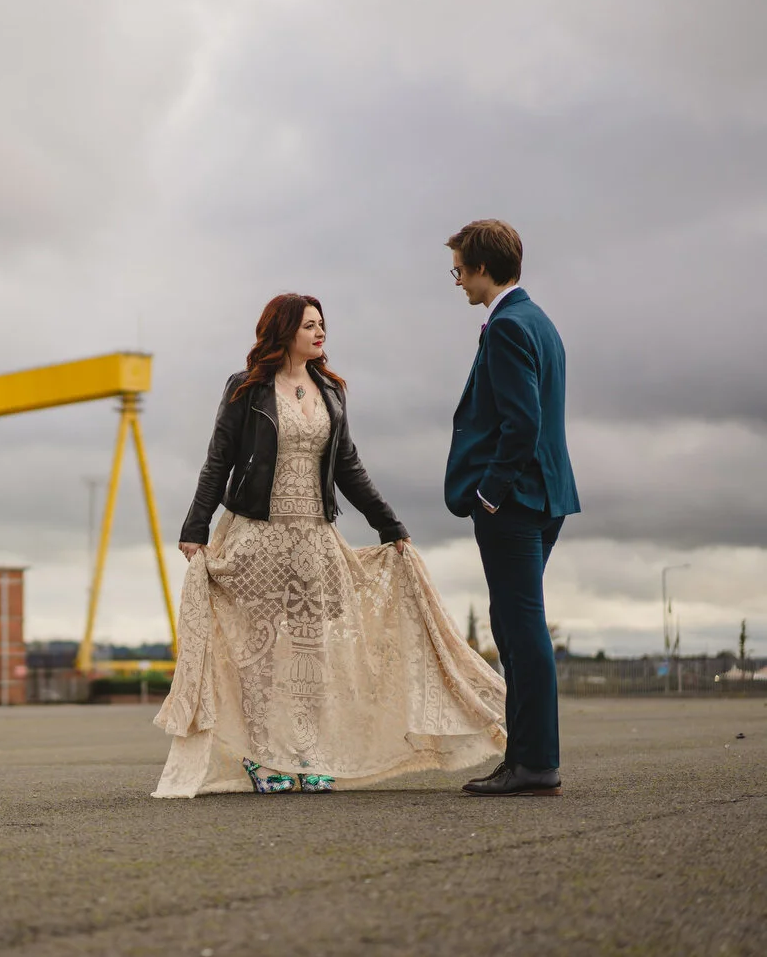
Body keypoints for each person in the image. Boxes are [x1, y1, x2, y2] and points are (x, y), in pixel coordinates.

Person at [153, 294, 506, 797]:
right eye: (309, 326)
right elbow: (219, 461)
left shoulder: (331, 391)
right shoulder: (247, 388)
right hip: (257, 537)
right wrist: (196, 528)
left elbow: (348, 468)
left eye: (323, 325)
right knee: (261, 655)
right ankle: (263, 756)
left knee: (311, 652)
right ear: (283, 332)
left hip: (314, 539)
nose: (320, 334)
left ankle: (307, 751)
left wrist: (390, 525)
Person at [444, 220, 579, 797]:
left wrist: (488, 494)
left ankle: (535, 763)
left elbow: (521, 423)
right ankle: (523, 759)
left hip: (516, 502)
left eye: (458, 270)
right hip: (547, 497)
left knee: (520, 629)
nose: (457, 283)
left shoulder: (505, 327)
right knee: (514, 624)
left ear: (480, 267)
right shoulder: (540, 321)